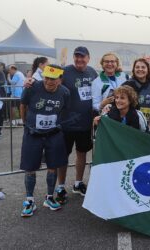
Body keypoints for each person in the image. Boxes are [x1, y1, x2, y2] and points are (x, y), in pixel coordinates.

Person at [19, 64, 70, 217]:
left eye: (54, 78)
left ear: (60, 80)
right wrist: (25, 123)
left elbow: (64, 110)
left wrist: (58, 124)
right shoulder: (32, 87)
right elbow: (23, 105)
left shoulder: (65, 92)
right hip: (33, 132)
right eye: (47, 77)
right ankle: (29, 200)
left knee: (53, 166)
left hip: (53, 134)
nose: (49, 81)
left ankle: (49, 197)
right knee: (30, 167)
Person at [56, 46, 98, 204]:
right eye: (77, 56)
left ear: (88, 58)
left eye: (83, 57)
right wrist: (30, 81)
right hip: (66, 123)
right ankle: (60, 186)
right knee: (63, 156)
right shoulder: (65, 71)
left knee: (82, 154)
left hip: (85, 123)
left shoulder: (93, 72)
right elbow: (49, 82)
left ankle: (78, 183)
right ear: (73, 57)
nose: (79, 60)